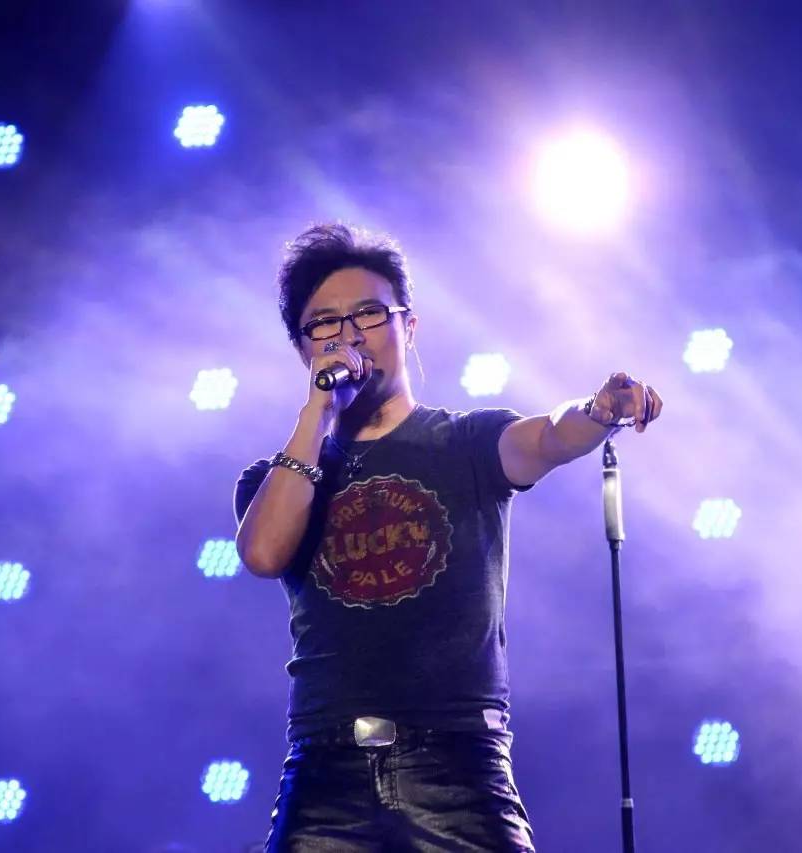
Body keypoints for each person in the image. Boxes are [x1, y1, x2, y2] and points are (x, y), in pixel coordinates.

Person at [234, 223, 662, 851]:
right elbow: (264, 552)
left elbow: (548, 436)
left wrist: (596, 412)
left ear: (408, 326)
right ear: (303, 349)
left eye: (369, 314)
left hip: (457, 770)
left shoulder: (467, 442)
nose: (349, 335)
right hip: (325, 777)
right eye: (324, 324)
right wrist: (316, 414)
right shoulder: (278, 478)